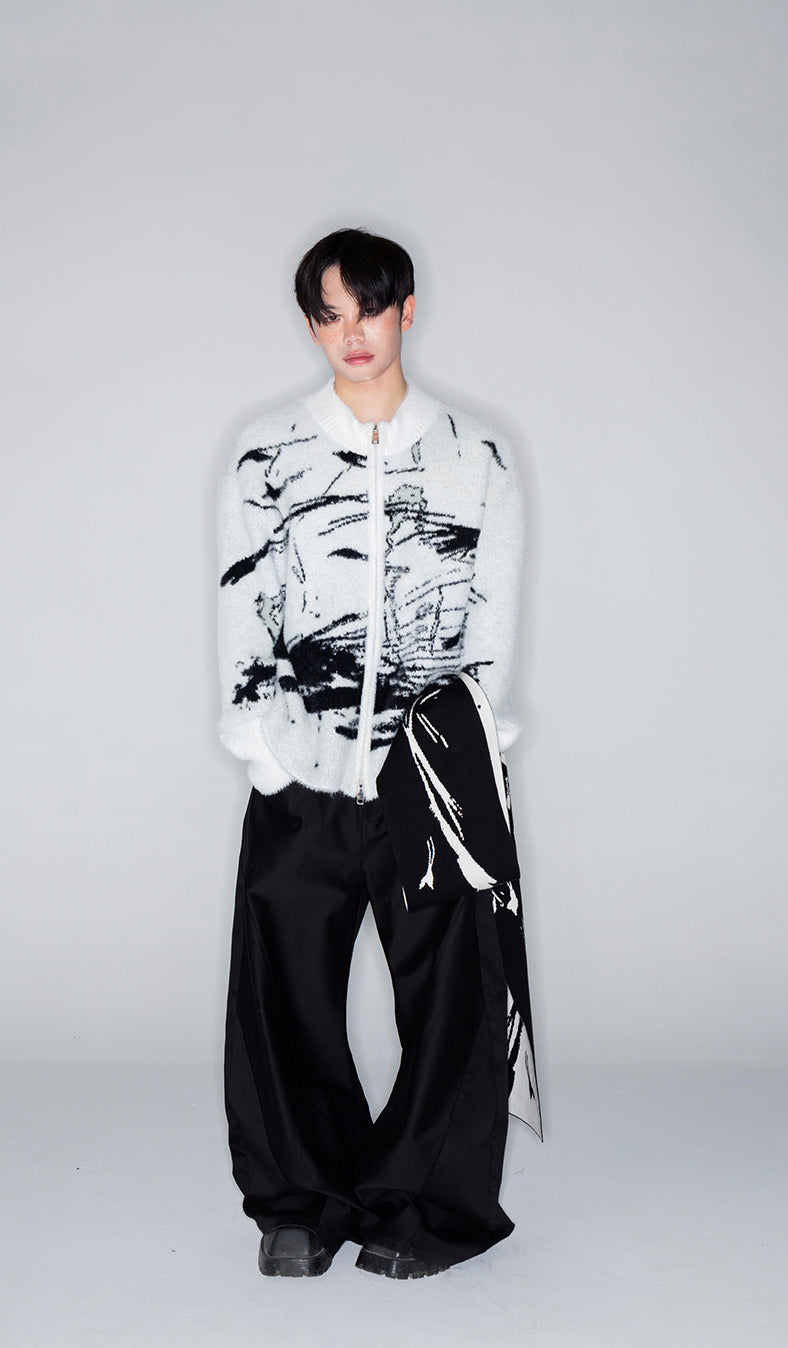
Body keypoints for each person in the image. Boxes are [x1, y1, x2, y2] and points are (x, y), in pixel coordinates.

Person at [217, 227, 527, 1280]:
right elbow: (244, 610)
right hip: (300, 777)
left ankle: (426, 1205)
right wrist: (265, 753)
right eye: (329, 314)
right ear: (313, 326)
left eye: (370, 309)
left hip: (432, 781)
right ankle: (301, 1201)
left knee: (451, 998)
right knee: (283, 993)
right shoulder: (266, 454)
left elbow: (489, 631)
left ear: (406, 310)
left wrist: (471, 758)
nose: (352, 333)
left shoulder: (476, 456)